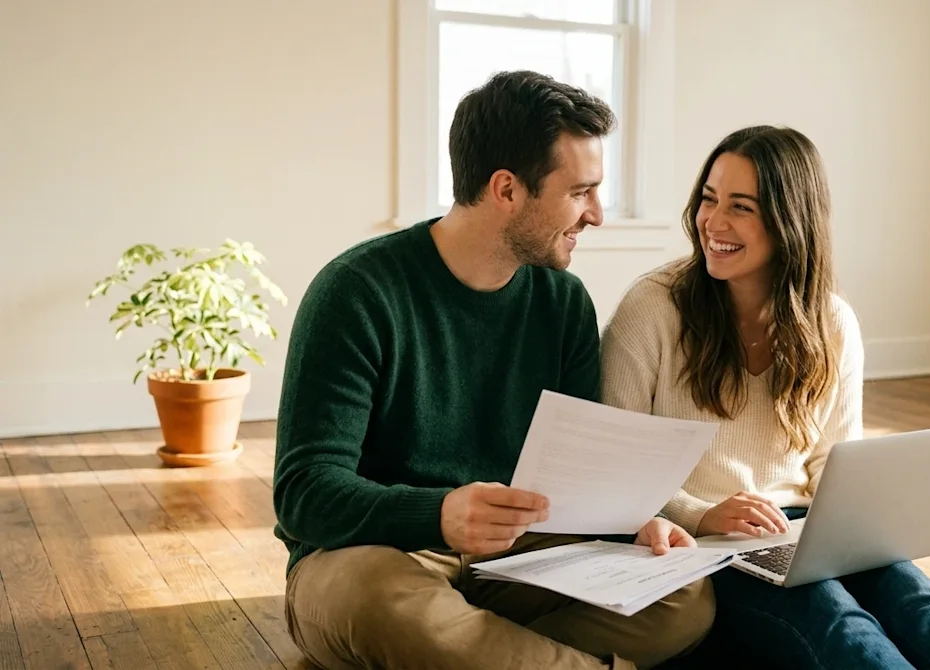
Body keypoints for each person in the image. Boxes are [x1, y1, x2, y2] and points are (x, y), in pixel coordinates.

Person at [272, 70, 715, 670]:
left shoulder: (562, 301)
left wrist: (637, 524)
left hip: (518, 555)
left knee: (685, 593)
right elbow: (304, 494)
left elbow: (581, 473)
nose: (598, 214)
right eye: (580, 191)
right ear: (506, 189)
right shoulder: (356, 292)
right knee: (379, 602)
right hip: (378, 555)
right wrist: (439, 513)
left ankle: (474, 651)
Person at [599, 125, 930, 669]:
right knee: (839, 624)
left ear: (788, 220)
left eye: (741, 207)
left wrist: (857, 529)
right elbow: (616, 469)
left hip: (805, 531)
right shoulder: (652, 307)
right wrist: (703, 515)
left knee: (925, 608)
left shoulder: (831, 321)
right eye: (709, 199)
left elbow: (832, 461)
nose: (714, 223)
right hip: (702, 549)